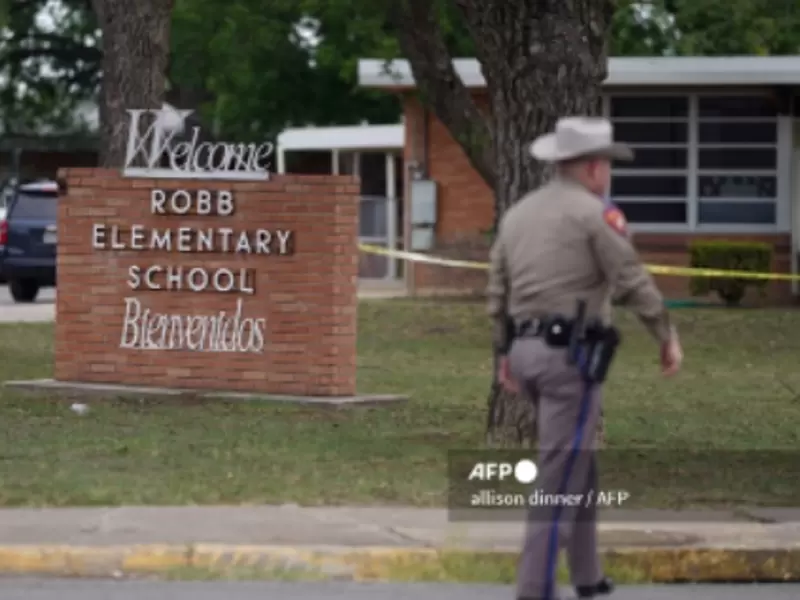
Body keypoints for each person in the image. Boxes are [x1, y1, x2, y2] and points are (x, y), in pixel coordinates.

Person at [486, 116, 683, 600]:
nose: (609, 174)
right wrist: (665, 334)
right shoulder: (594, 214)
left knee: (579, 463)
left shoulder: (518, 214)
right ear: (595, 167)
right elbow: (631, 278)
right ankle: (534, 589)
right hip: (567, 360)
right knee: (558, 475)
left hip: (526, 352)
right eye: (608, 165)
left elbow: (496, 291)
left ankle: (587, 574)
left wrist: (503, 353)